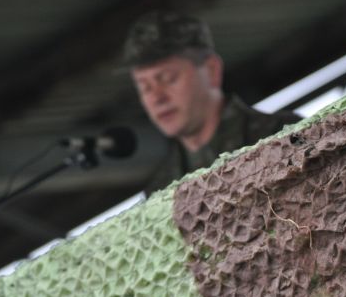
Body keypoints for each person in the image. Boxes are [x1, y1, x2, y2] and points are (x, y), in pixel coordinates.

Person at [122, 10, 301, 192]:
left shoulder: (282, 137)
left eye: (168, 78)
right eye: (145, 87)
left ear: (211, 70)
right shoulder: (161, 190)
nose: (157, 98)